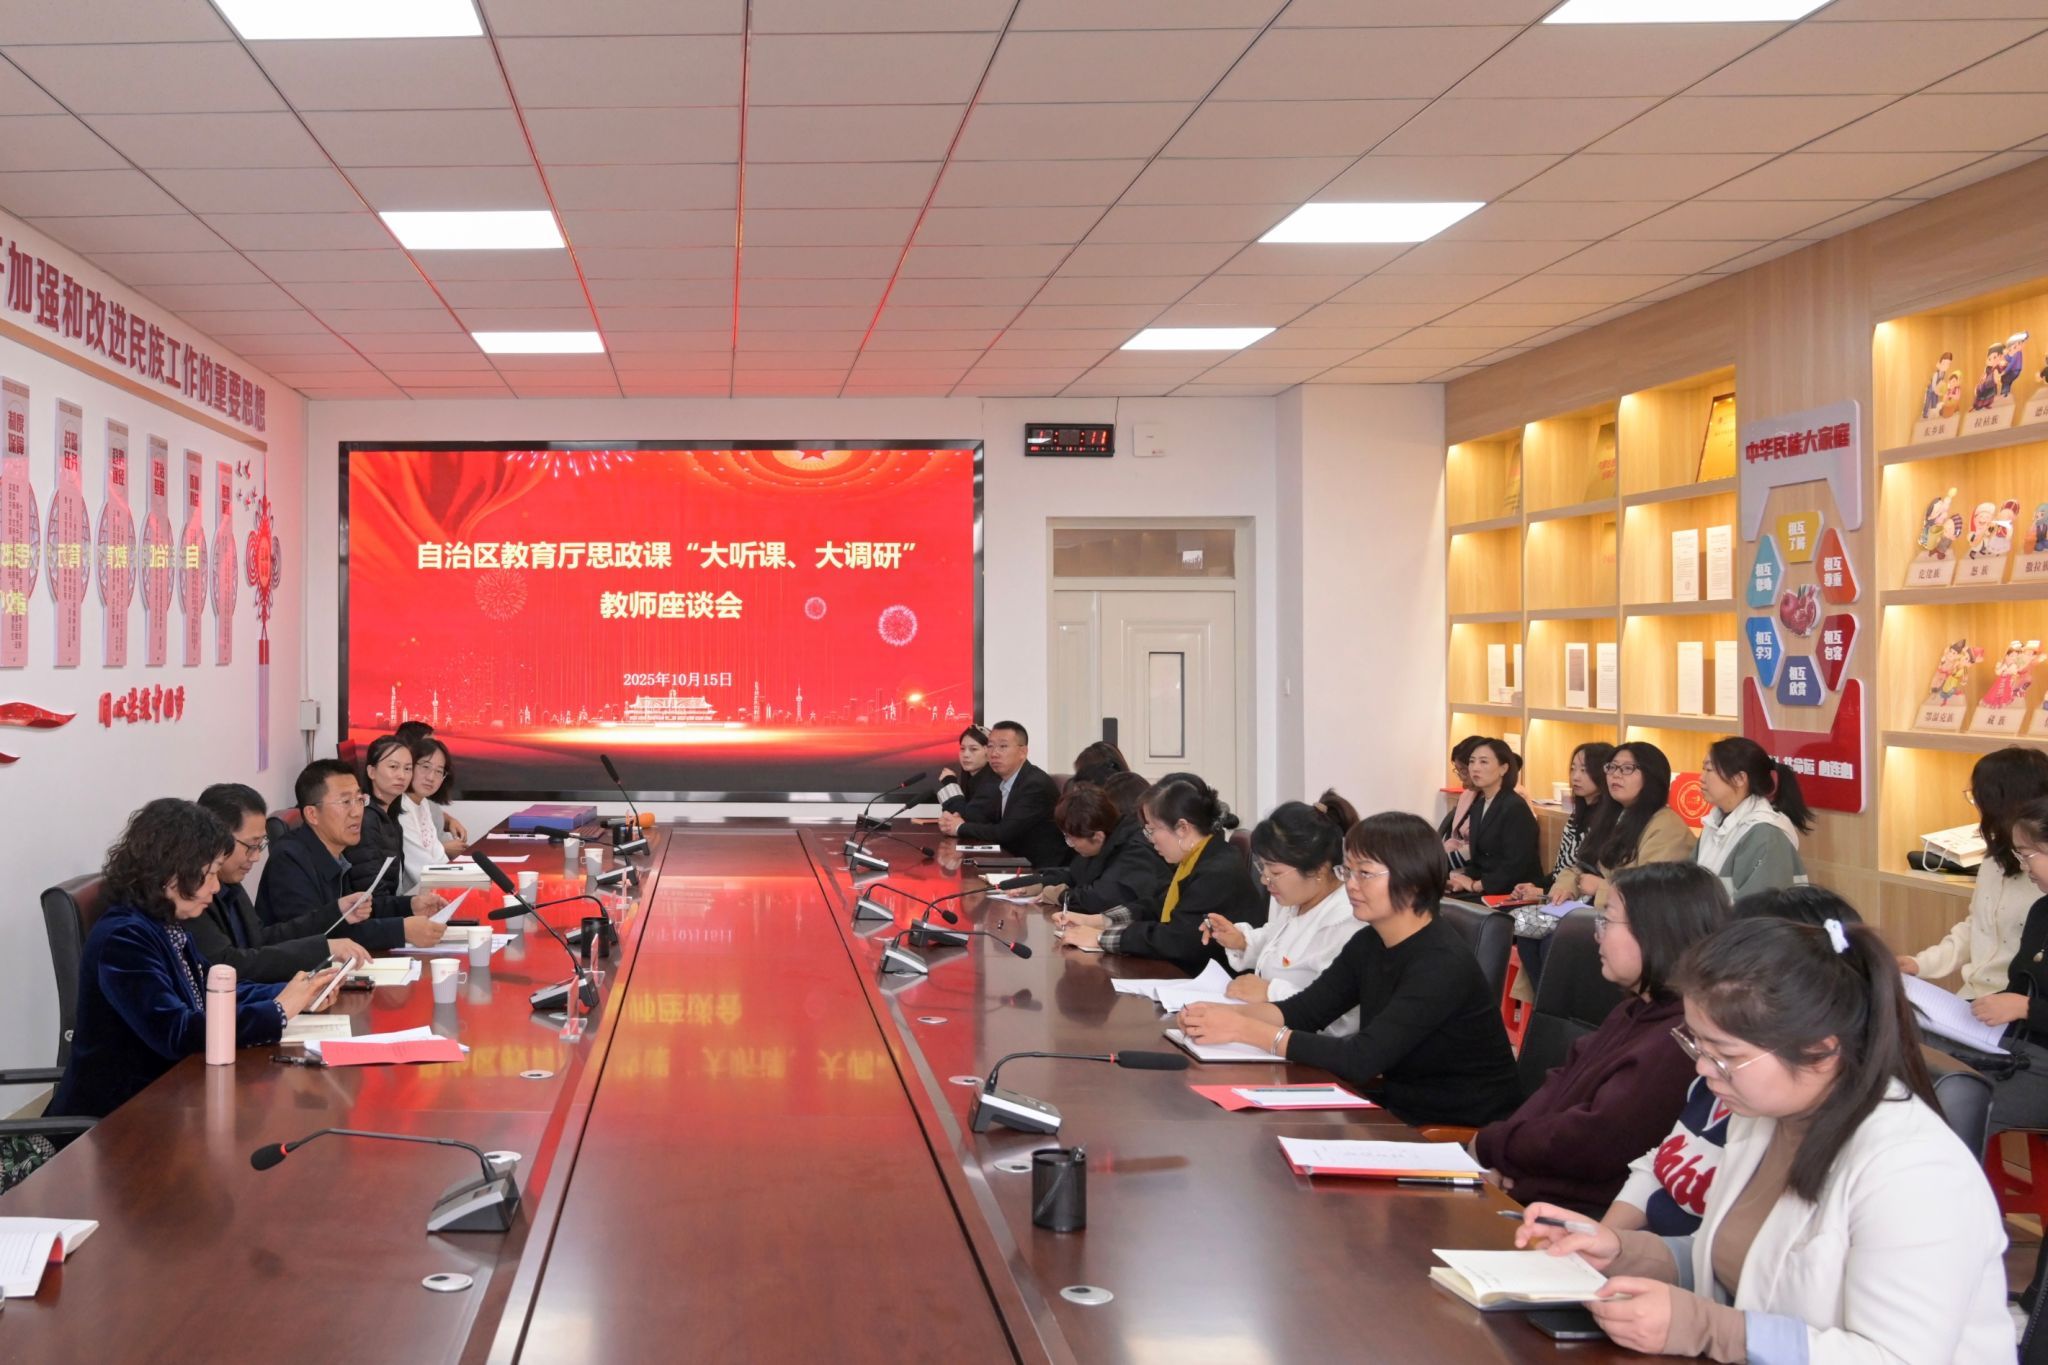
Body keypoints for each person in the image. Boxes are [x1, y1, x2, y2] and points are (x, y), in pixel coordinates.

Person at [1516, 916, 2010, 1362]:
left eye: (1725, 1054)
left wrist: (1711, 1329)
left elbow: (1895, 1357)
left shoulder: (1916, 1172)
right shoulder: (1766, 1117)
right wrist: (1620, 1251)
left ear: (1821, 1052)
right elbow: (1738, 1265)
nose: (1703, 1068)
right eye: (1696, 1044)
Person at [1178, 812, 1522, 1126]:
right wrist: (1213, 1015)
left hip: (1453, 1130)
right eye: (1349, 871)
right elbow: (1304, 1011)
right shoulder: (1371, 941)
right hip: (1394, 1109)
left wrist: (1244, 1029)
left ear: (1414, 880)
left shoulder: (1440, 963)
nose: (1351, 885)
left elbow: (1360, 1058)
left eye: (1365, 874)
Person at [46, 799, 343, 1120]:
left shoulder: (166, 923)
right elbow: (176, 1033)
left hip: (171, 1098)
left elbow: (209, 995)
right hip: (118, 1119)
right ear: (171, 873)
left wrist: (294, 995)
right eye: (209, 874)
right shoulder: (123, 938)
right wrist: (278, 1010)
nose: (215, 887)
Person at [1603, 886, 1866, 1240]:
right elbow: (1665, 1174)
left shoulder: (1879, 1162)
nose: (1703, 1066)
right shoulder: (1738, 1091)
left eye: (1727, 1053)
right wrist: (1607, 1240)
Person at [1473, 862, 1732, 1215]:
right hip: (1526, 1190)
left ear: (1657, 932)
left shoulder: (1678, 1040)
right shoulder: (1633, 1010)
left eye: (1607, 921)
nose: (1598, 935)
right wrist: (1502, 1152)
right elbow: (1557, 1085)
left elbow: (1591, 1141)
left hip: (1575, 1218)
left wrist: (1493, 1146)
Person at [1052, 774, 1264, 973]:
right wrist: (1098, 921)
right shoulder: (1198, 858)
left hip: (1210, 981)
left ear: (1182, 828)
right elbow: (1157, 905)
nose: (1150, 839)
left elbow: (1175, 939)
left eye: (1152, 830)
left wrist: (1100, 938)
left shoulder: (1216, 871)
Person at [1201, 796, 1363, 1034]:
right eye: (1262, 866)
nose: (1264, 879)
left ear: (1319, 870)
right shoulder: (1301, 900)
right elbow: (1276, 943)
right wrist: (1241, 940)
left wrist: (1270, 992)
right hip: (1270, 1028)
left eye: (1275, 872)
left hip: (1306, 1045)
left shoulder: (1347, 922)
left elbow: (1341, 1020)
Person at [187, 783, 373, 982]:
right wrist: (322, 950)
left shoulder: (230, 882)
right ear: (216, 839)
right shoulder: (191, 895)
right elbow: (227, 965)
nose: (256, 857)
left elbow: (260, 939)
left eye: (261, 845)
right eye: (251, 845)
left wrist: (336, 912)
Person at [1902, 745, 2048, 999]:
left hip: (2016, 1005)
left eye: (1979, 798)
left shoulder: (2041, 877)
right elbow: (1977, 927)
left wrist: (2024, 1008)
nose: (1977, 807)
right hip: (1974, 997)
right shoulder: (1994, 858)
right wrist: (1920, 964)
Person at [256, 759, 446, 949]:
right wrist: (400, 931)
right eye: (346, 802)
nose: (357, 812)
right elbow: (313, 935)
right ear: (312, 814)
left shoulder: (338, 851)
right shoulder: (289, 859)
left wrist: (410, 905)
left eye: (360, 800)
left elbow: (358, 911)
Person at [1961, 796, 2048, 1133]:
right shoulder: (2041, 911)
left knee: (1960, 1104)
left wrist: (2026, 1008)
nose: (2024, 867)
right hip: (2021, 1052)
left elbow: (2023, 1002)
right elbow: (2020, 986)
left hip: (2037, 1063)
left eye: (2027, 855)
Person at [1509, 741, 1615, 990]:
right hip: (1565, 897)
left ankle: (1552, 1002)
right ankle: (1542, 1002)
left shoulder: (1611, 819)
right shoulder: (1576, 815)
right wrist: (1537, 887)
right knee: (1525, 933)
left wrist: (1544, 891)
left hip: (1591, 903)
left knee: (1549, 941)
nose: (1575, 777)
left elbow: (1590, 873)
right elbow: (1563, 869)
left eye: (1584, 770)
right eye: (1573, 769)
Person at [1550, 741, 1694, 910]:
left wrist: (1601, 888)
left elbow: (1654, 894)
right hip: (1597, 913)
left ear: (1652, 776)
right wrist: (1565, 888)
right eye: (1612, 767)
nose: (1615, 775)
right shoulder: (1612, 814)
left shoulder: (1667, 828)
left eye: (1627, 768)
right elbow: (1582, 866)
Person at [1694, 736, 1813, 900]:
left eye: (1709, 770)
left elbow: (1760, 908)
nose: (1701, 778)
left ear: (1739, 779)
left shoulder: (1766, 834)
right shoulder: (1714, 821)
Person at [936, 720, 1069, 867]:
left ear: (1022, 752)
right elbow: (985, 821)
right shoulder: (1005, 781)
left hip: (1040, 867)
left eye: (1003, 746)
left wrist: (959, 827)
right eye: (990, 746)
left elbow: (1004, 832)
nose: (994, 753)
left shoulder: (1034, 784)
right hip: (1013, 858)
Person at [1033, 780, 1170, 915]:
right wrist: (1038, 884)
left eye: (1071, 839)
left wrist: (1062, 896)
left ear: (1097, 836)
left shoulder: (1135, 851)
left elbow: (1101, 899)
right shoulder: (1107, 840)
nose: (1070, 844)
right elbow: (1075, 875)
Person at [1445, 738, 1542, 898]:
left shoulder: (1515, 806)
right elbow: (1479, 860)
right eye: (1472, 761)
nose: (1475, 768)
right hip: (1485, 887)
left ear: (1503, 768)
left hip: (1514, 892)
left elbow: (1515, 865)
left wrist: (1476, 885)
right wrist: (1462, 881)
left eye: (1483, 762)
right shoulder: (1479, 805)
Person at [348, 734, 417, 894]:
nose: (402, 775)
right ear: (372, 772)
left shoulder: (389, 814)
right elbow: (371, 893)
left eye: (407, 769)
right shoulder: (365, 819)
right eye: (393, 767)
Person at [397, 737, 467, 888]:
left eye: (439, 771)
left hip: (433, 887)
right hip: (413, 896)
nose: (431, 777)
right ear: (409, 766)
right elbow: (424, 872)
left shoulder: (423, 803)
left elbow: (439, 858)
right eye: (425, 767)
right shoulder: (401, 808)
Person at [1439, 734, 1487, 867]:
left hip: (1481, 867)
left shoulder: (1509, 800)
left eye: (1464, 771)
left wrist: (1443, 863)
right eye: (1458, 770)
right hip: (1462, 860)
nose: (1461, 777)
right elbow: (1456, 838)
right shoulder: (1468, 794)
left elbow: (1486, 848)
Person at [936, 725, 996, 815]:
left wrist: (950, 783)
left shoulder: (993, 784)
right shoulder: (971, 780)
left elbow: (965, 817)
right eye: (962, 749)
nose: (965, 754)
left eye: (973, 749)